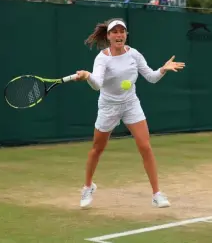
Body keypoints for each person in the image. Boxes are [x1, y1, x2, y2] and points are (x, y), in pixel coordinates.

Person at [74, 18, 185, 209]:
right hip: (108, 106)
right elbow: (97, 84)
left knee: (145, 146)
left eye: (122, 32)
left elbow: (151, 77)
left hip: (130, 103)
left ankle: (156, 194)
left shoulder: (134, 54)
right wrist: (88, 77)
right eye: (115, 32)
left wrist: (163, 70)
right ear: (108, 36)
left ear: (126, 34)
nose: (119, 35)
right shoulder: (102, 58)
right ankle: (87, 187)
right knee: (97, 149)